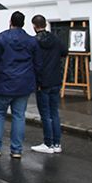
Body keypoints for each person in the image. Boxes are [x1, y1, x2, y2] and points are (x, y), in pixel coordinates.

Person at [0, 11, 41, 158]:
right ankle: (16, 150)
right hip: (23, 84)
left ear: (10, 22)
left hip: (4, 82)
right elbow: (37, 64)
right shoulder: (31, 40)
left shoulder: (1, 38)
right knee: (19, 116)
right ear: (23, 23)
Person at [31, 15, 67, 154]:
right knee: (54, 113)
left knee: (45, 114)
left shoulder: (34, 41)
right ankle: (57, 143)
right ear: (45, 24)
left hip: (42, 82)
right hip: (55, 80)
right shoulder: (56, 39)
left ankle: (48, 143)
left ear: (34, 26)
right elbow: (64, 52)